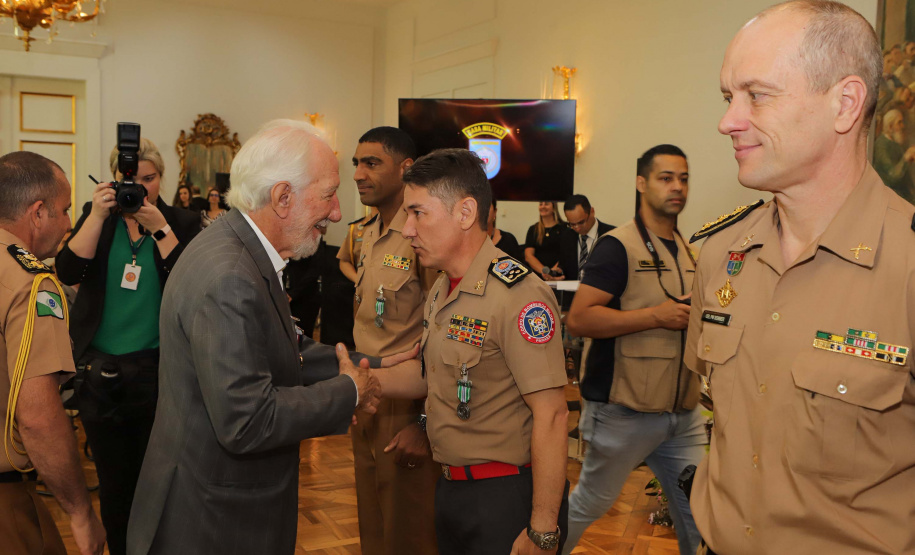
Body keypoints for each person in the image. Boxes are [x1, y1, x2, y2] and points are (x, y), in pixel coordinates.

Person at [686, 2, 915, 554]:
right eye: (727, 97)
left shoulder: (906, 262)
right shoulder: (720, 255)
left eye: (756, 94)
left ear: (845, 103)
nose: (727, 121)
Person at [125, 120, 400, 555]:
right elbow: (247, 420)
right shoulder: (231, 275)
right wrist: (348, 391)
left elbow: (285, 347)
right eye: (328, 195)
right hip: (213, 521)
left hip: (216, 502)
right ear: (283, 197)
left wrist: (384, 364)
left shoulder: (237, 247)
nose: (335, 212)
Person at [364, 148, 570, 555]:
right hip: (453, 489)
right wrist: (361, 381)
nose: (407, 229)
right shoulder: (443, 285)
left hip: (506, 497)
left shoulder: (519, 295)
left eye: (418, 213)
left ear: (464, 212)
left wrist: (543, 529)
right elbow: (428, 373)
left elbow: (553, 414)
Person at [55, 138, 200, 555]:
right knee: (115, 484)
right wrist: (98, 215)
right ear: (114, 180)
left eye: (149, 179)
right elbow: (67, 270)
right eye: (130, 180)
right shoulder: (97, 217)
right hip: (100, 371)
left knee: (159, 479)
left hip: (160, 369)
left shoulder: (183, 222)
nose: (140, 188)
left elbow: (191, 285)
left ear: (162, 178)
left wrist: (160, 229)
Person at [561, 145, 705, 555]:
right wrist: (654, 317)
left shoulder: (689, 249)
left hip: (682, 414)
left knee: (699, 514)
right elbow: (580, 320)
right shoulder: (617, 246)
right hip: (622, 411)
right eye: (665, 178)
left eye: (683, 178)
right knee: (592, 503)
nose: (676, 187)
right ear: (641, 183)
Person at [0, 151, 106, 555]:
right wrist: (80, 513)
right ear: (37, 212)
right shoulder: (32, 284)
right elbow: (38, 418)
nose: (67, 223)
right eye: (62, 211)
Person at [348, 126, 440, 555]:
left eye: (371, 163)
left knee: (409, 534)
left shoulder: (421, 235)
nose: (359, 174)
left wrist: (423, 423)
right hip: (367, 400)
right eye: (356, 163)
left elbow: (443, 337)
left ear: (406, 168)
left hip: (406, 406)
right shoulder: (369, 232)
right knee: (374, 529)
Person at [559, 194, 614, 280]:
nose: (577, 228)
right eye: (572, 224)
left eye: (581, 222)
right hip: (573, 292)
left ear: (592, 212)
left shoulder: (611, 235)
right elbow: (564, 269)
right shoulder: (567, 236)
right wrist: (557, 274)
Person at [873, 109, 915, 204]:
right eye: (899, 123)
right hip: (889, 196)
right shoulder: (881, 146)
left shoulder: (895, 143)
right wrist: (906, 158)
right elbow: (892, 177)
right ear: (890, 126)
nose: (902, 126)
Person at [524, 201, 568, 280]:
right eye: (541, 204)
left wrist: (553, 272)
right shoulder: (533, 229)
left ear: (554, 207)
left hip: (559, 275)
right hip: (538, 278)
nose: (543, 206)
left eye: (546, 204)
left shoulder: (565, 228)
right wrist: (546, 272)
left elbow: (568, 252)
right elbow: (528, 256)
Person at [338, 209, 377, 283]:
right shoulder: (357, 228)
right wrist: (359, 281)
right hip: (363, 290)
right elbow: (344, 261)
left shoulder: (401, 227)